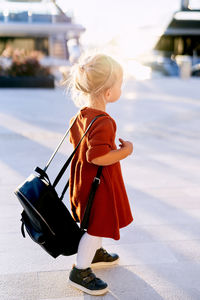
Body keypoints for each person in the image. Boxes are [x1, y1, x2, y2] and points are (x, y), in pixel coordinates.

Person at [67, 53, 133, 296]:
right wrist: (125, 151)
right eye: (120, 84)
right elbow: (97, 157)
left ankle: (95, 254)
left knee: (98, 222)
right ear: (107, 92)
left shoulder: (82, 114)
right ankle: (80, 270)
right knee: (95, 228)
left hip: (85, 181)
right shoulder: (104, 121)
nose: (121, 89)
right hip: (98, 185)